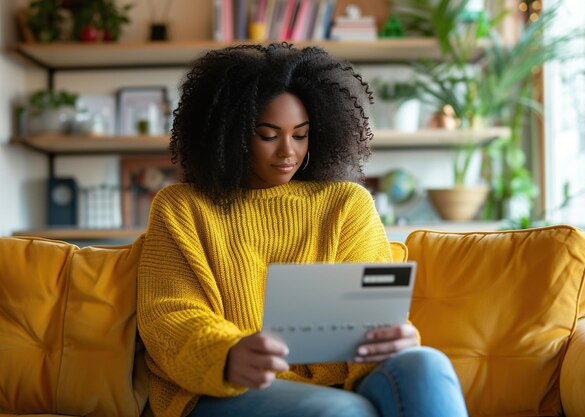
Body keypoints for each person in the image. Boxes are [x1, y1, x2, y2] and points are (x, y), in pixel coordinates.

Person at [137, 42, 468, 417]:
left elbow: (368, 313)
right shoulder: (182, 207)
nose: (287, 152)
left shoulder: (346, 203)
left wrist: (393, 341)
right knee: (343, 411)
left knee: (427, 365)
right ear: (229, 133)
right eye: (268, 135)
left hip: (342, 384)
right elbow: (169, 315)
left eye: (300, 134)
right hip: (222, 388)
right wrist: (226, 354)